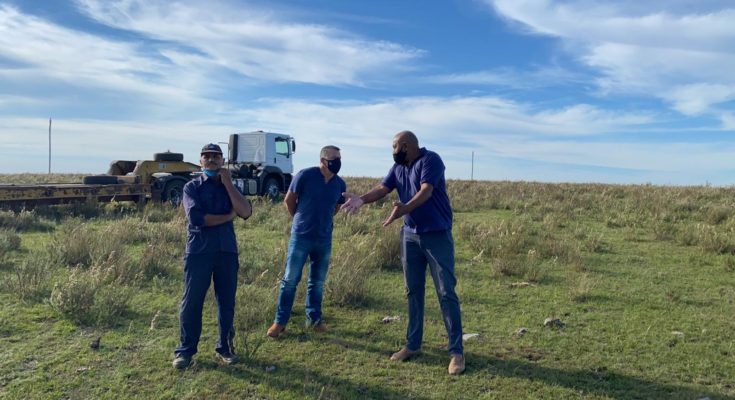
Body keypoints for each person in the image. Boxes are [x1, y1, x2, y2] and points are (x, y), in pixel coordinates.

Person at [341, 131, 466, 375]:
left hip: (436, 235)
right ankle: (413, 345)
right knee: (413, 291)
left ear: (406, 146)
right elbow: (382, 188)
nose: (393, 151)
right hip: (410, 236)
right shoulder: (397, 168)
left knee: (446, 292)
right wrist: (362, 200)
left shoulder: (431, 161)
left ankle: (456, 352)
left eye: (395, 146)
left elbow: (426, 190)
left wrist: (406, 207)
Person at [172, 143, 252, 369]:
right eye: (206, 156)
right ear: (200, 161)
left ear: (222, 161)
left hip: (227, 251)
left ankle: (225, 348)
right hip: (199, 251)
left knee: (226, 302)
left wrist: (227, 183)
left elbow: (245, 212)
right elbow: (198, 219)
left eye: (216, 156)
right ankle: (185, 351)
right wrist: (229, 216)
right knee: (192, 301)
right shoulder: (191, 187)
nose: (211, 160)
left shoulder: (231, 186)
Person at [267, 145, 346, 338]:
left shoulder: (340, 184)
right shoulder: (305, 176)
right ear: (322, 160)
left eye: (339, 158)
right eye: (333, 159)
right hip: (301, 236)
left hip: (324, 238)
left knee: (317, 282)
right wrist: (299, 219)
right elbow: (289, 200)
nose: (337, 162)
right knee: (290, 280)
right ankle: (280, 322)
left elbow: (336, 207)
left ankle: (314, 320)